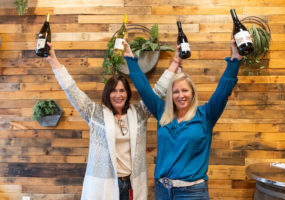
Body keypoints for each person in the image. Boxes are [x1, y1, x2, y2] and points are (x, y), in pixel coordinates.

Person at [44, 42, 180, 200]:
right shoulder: (96, 114)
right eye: (114, 91)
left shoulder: (139, 113)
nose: (118, 95)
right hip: (104, 186)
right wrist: (53, 60)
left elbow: (159, 90)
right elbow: (72, 90)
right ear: (107, 94)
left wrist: (176, 62)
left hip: (131, 185)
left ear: (127, 94)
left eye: (122, 90)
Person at [123, 40, 243, 200]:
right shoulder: (162, 113)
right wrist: (131, 60)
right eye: (176, 91)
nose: (181, 95)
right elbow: (144, 89)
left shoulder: (206, 115)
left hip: (192, 193)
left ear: (192, 93)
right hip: (162, 190)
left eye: (185, 90)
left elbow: (223, 90)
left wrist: (235, 59)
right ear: (170, 95)